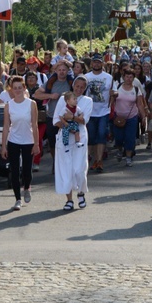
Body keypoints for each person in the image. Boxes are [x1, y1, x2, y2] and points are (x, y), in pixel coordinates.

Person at [53, 76, 92, 210]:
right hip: (64, 137)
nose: (79, 89)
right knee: (66, 169)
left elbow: (83, 119)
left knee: (78, 169)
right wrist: (66, 126)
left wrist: (72, 118)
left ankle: (81, 193)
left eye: (82, 87)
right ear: (73, 85)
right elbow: (56, 119)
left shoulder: (87, 101)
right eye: (77, 86)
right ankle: (69, 200)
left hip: (79, 137)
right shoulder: (63, 98)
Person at [1, 76, 39, 211]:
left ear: (24, 88)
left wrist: (36, 144)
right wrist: (3, 146)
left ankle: (27, 187)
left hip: (28, 140)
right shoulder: (8, 105)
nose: (17, 90)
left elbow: (34, 125)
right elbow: (6, 126)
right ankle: (17, 198)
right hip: (13, 140)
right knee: (15, 170)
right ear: (11, 89)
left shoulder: (31, 103)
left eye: (20, 88)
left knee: (27, 170)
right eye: (14, 88)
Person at [35, 61, 73, 172]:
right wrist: (50, 95)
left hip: (67, 116)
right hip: (52, 116)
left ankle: (66, 163)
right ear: (56, 71)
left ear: (67, 71)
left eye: (64, 70)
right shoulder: (50, 82)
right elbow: (37, 94)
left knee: (67, 140)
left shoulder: (71, 82)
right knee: (53, 142)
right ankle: (55, 161)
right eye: (59, 70)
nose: (61, 72)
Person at [110, 68, 145, 167]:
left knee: (130, 138)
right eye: (127, 77)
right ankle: (120, 149)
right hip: (118, 117)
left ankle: (128, 157)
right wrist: (112, 96)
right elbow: (112, 100)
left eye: (131, 77)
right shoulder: (118, 86)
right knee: (119, 137)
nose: (129, 79)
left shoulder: (136, 89)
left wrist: (143, 117)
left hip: (131, 117)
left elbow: (140, 104)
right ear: (123, 77)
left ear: (133, 78)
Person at [83, 54, 112, 173]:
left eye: (98, 62)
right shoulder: (86, 77)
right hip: (90, 111)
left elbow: (113, 90)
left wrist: (114, 95)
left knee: (101, 135)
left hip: (103, 111)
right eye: (94, 62)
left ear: (102, 64)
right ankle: (87, 160)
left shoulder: (109, 77)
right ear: (91, 64)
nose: (96, 64)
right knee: (90, 137)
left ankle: (99, 160)